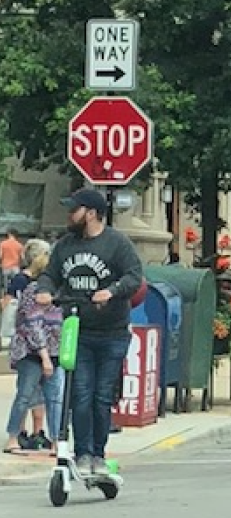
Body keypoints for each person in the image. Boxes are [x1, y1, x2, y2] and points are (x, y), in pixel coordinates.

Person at [35, 188, 143, 476]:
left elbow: (134, 276)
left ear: (91, 213)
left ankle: (98, 454)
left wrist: (111, 291)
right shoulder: (65, 245)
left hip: (112, 333)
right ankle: (81, 453)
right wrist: (44, 290)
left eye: (75, 210)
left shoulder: (117, 243)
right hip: (78, 330)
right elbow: (50, 275)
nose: (69, 215)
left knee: (102, 396)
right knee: (80, 394)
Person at [3, 240, 62, 455]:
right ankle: (13, 438)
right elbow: (32, 324)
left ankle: (56, 440)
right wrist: (44, 355)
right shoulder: (32, 290)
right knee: (25, 395)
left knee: (54, 399)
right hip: (31, 352)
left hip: (54, 351)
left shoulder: (59, 292)